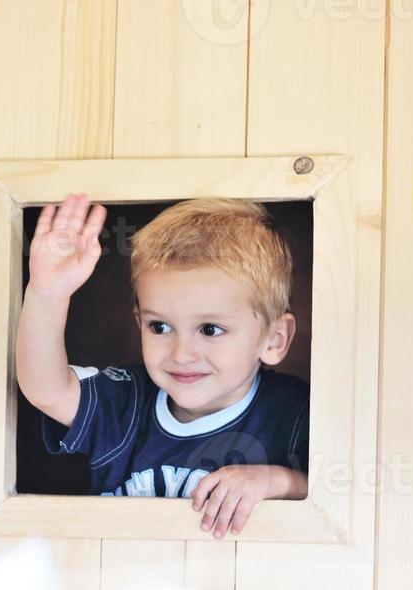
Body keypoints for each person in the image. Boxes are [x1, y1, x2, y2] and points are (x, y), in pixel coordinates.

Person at [16, 193, 309, 539]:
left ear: (273, 340)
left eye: (210, 330)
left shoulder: (295, 412)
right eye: (160, 327)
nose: (182, 353)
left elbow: (346, 499)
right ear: (139, 321)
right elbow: (46, 390)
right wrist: (47, 295)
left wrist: (279, 481)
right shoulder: (127, 400)